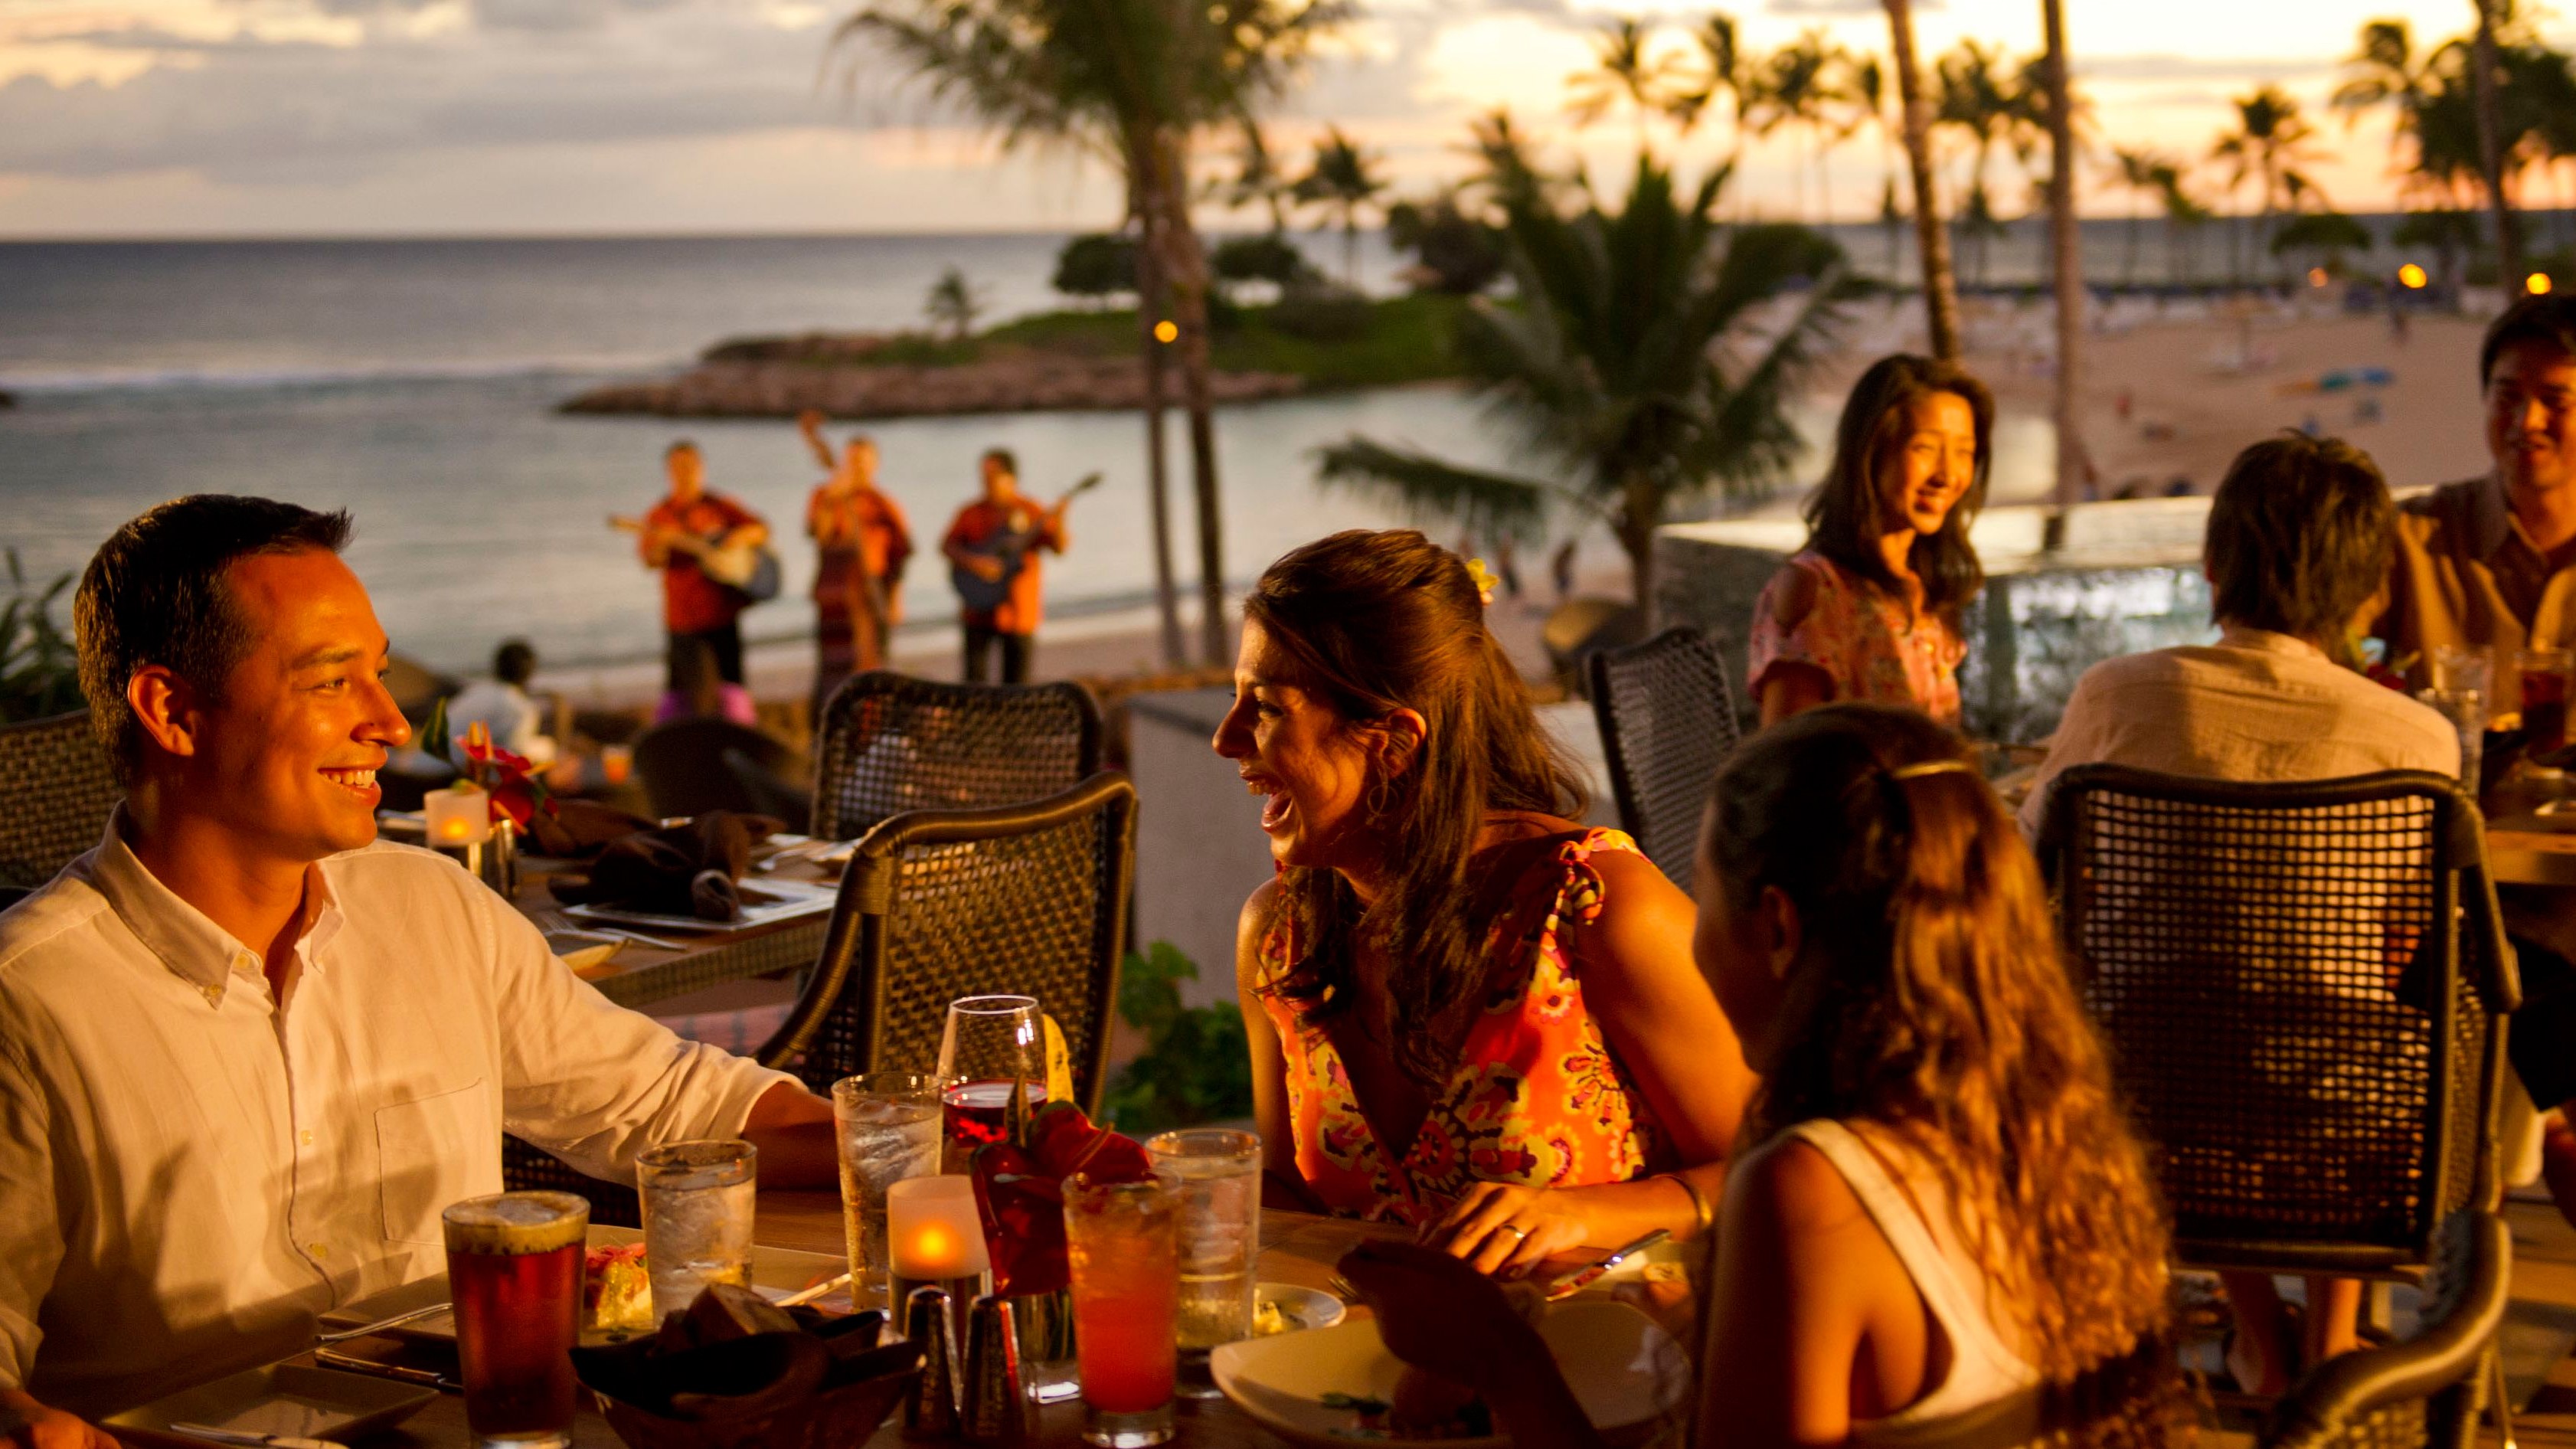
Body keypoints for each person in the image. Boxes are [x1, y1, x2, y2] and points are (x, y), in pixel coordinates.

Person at [0, 496, 837, 1430]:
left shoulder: (431, 909)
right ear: (172, 710)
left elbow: (674, 1110)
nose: (394, 724)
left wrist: (946, 1151)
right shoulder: (32, 1002)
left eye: (383, 675)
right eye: (330, 683)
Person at [1342, 705, 2178, 1446]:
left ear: (1776, 924)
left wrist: (1501, 1358)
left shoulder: (1812, 1186)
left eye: (1704, 897)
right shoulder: (2050, 1132)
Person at [2016, 433, 2456, 1395]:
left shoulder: (2115, 694)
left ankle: (2258, 1336)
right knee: (2358, 1018)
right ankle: (2335, 1342)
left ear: (2213, 565)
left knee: (2192, 1018)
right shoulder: (2418, 738)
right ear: (2366, 587)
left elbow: (2032, 865)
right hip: (2343, 1115)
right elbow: (2406, 938)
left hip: (2134, 1110)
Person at [1218, 530, 1753, 1267]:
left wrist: (1584, 1215)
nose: (1225, 739)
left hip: (1588, 1367)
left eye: (1268, 708)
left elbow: (1773, 1167)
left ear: (1394, 743)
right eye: (1235, 699)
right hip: (1341, 1373)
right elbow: (1293, 1206)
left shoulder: (1596, 909)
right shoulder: (1281, 936)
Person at [2368, 293, 2576, 1231]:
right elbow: (2296, 632)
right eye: (2505, 393)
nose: (2525, 421)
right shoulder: (2419, 537)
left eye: (2555, 397)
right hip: (2451, 904)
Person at [1747, 355, 1990, 728]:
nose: (1947, 474)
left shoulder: (1922, 590)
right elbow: (1788, 769)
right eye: (1925, 448)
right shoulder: (1816, 590)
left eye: (1964, 452)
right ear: (1870, 450)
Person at [627, 440, 767, 699]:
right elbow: (650, 560)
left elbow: (761, 530)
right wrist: (662, 546)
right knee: (683, 693)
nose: (685, 473)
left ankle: (735, 734)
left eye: (690, 466)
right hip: (683, 618)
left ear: (702, 468)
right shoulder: (660, 515)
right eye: (678, 467)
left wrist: (735, 540)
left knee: (731, 690)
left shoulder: (719, 505)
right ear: (669, 471)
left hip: (722, 615)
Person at [800, 412, 913, 718]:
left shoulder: (883, 502)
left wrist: (896, 596)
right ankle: (826, 720)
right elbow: (819, 536)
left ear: (875, 464)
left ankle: (874, 720)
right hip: (838, 597)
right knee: (830, 665)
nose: (858, 468)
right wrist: (831, 499)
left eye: (863, 462)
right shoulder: (825, 497)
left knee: (876, 661)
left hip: (874, 592)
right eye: (852, 462)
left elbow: (903, 552)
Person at [943, 449, 1064, 685]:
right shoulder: (971, 512)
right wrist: (975, 563)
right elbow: (947, 546)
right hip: (978, 611)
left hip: (1019, 611)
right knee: (974, 684)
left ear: (1011, 478)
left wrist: (1060, 520)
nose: (986, 482)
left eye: (993, 476)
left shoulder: (1030, 510)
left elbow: (1058, 547)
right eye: (983, 477)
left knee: (1017, 686)